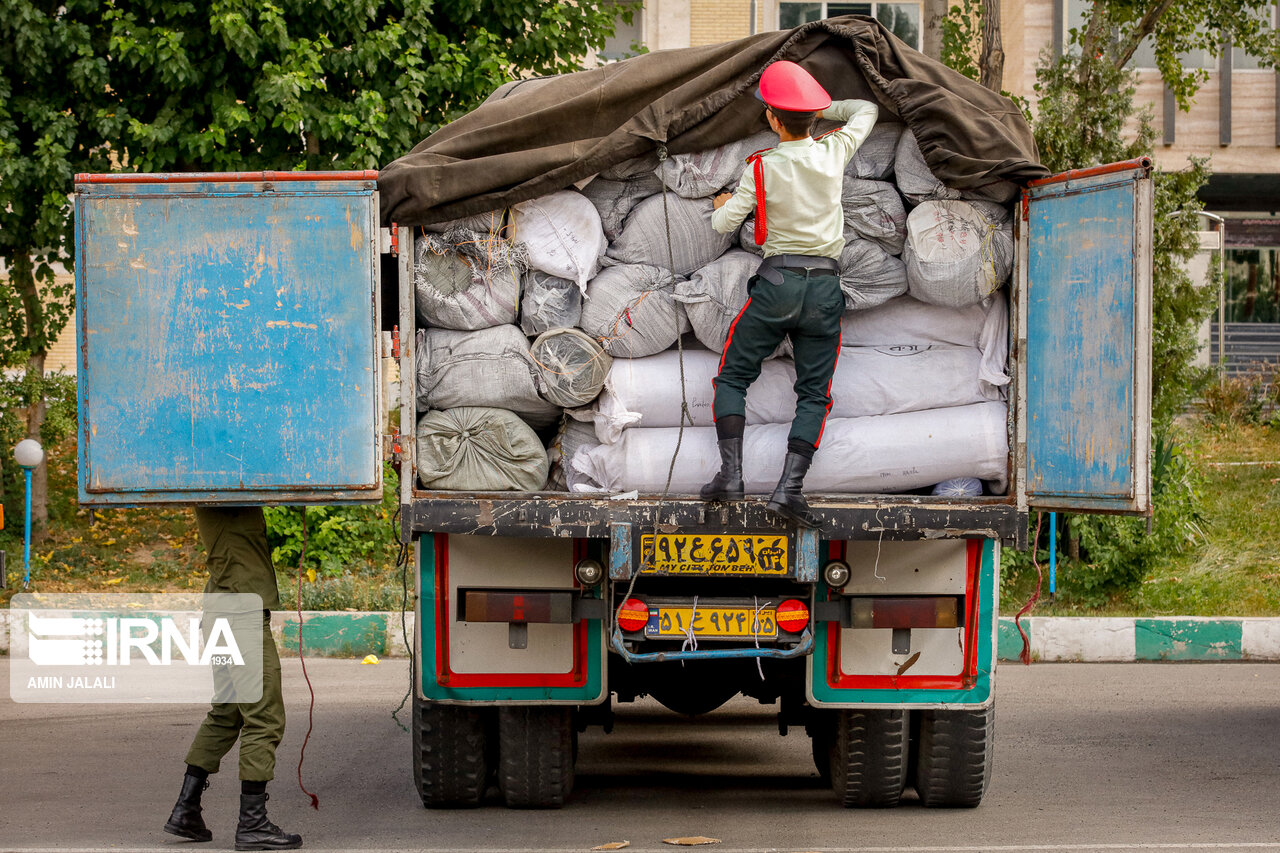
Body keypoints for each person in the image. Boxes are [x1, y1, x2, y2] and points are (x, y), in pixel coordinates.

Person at [699, 60, 878, 528]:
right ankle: (789, 489)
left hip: (777, 283)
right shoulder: (835, 150)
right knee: (814, 394)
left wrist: (721, 205)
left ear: (772, 120)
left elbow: (723, 225)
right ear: (813, 117)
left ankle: (731, 477)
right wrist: (824, 108)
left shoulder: (761, 167)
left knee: (733, 377)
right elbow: (866, 109)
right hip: (824, 288)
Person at [164, 506, 303, 851]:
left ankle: (186, 810)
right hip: (241, 617)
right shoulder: (225, 490)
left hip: (222, 611)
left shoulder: (217, 493)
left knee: (227, 712)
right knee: (264, 718)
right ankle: (253, 824)